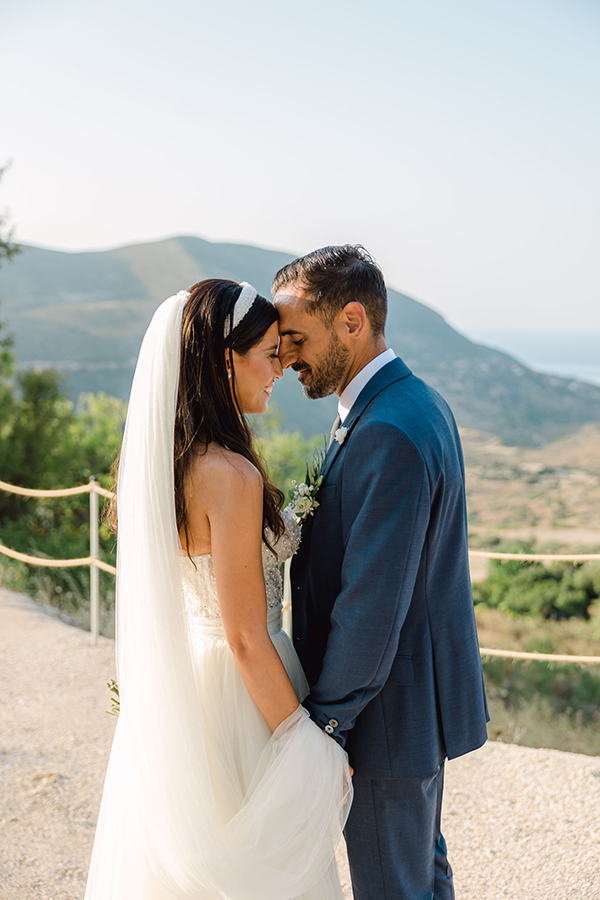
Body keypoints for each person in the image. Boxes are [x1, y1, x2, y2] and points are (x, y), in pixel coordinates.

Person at [84, 279, 352, 900]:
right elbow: (245, 636)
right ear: (224, 361)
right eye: (269, 355)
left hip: (185, 689)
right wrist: (306, 748)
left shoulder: (165, 465)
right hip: (243, 694)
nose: (280, 370)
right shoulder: (230, 475)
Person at [273, 246, 489, 900]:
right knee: (420, 876)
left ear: (352, 321)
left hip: (382, 722)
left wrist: (325, 728)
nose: (285, 358)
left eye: (296, 338)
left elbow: (371, 605)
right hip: (411, 711)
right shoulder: (411, 403)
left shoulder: (387, 430)